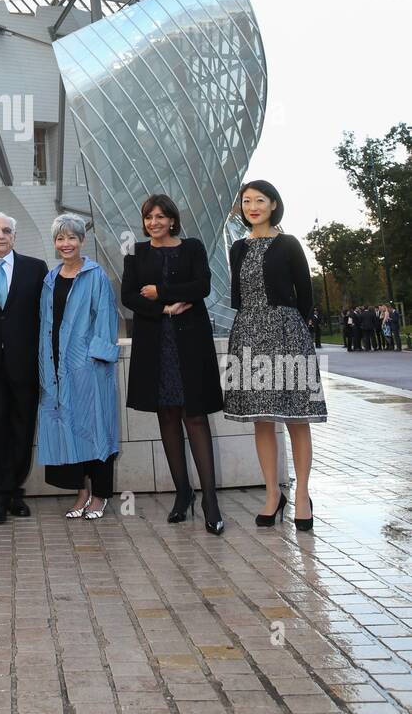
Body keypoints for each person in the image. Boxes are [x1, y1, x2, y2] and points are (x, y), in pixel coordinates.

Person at [224, 180, 326, 533]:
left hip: (286, 332)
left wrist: (288, 324)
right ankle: (272, 494)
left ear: (273, 204)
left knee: (297, 417)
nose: (252, 206)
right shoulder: (237, 248)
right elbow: (237, 295)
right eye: (246, 201)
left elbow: (306, 294)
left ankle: (301, 496)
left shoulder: (289, 244)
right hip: (248, 334)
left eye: (260, 200)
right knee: (261, 419)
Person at [122, 194, 225, 535]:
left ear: (172, 220)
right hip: (156, 343)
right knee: (167, 414)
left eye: (160, 216)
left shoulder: (192, 247)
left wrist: (159, 290)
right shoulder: (136, 253)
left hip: (190, 342)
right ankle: (183, 494)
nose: (153, 222)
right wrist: (163, 306)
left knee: (195, 416)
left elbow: (202, 286)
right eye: (148, 217)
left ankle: (209, 499)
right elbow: (129, 296)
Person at [38, 214, 120, 520]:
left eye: (72, 238)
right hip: (57, 364)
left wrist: (94, 358)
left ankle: (99, 495)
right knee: (68, 429)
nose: (66, 244)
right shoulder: (50, 278)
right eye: (60, 238)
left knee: (97, 427)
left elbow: (107, 319)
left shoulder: (95, 274)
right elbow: (46, 324)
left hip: (88, 366)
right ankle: (81, 492)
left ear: (82, 241)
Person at [0, 212, 47, 523]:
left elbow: (45, 318)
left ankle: (15, 490)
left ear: (14, 236)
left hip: (25, 362)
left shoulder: (35, 269)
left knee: (23, 425)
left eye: (7, 230)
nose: (1, 235)